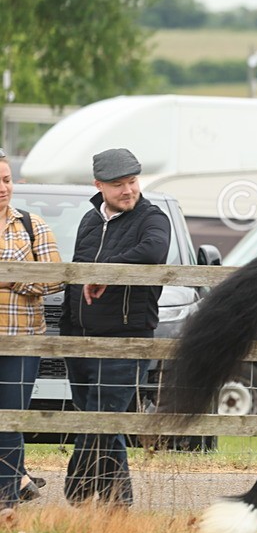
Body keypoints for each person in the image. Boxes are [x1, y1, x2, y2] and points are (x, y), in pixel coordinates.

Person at [61, 148, 170, 506]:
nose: (128, 190)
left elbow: (153, 251)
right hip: (79, 338)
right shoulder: (89, 221)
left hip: (127, 338)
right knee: (99, 422)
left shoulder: (152, 218)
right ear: (99, 186)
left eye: (133, 181)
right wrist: (68, 332)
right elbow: (76, 276)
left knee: (101, 417)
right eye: (118, 184)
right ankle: (118, 505)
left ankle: (76, 488)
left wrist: (106, 271)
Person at [0, 150, 63, 517]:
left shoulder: (31, 225)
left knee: (9, 418)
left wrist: (11, 279)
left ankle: (6, 501)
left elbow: (55, 277)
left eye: (6, 180)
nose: (3, 188)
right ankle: (20, 482)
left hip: (22, 339)